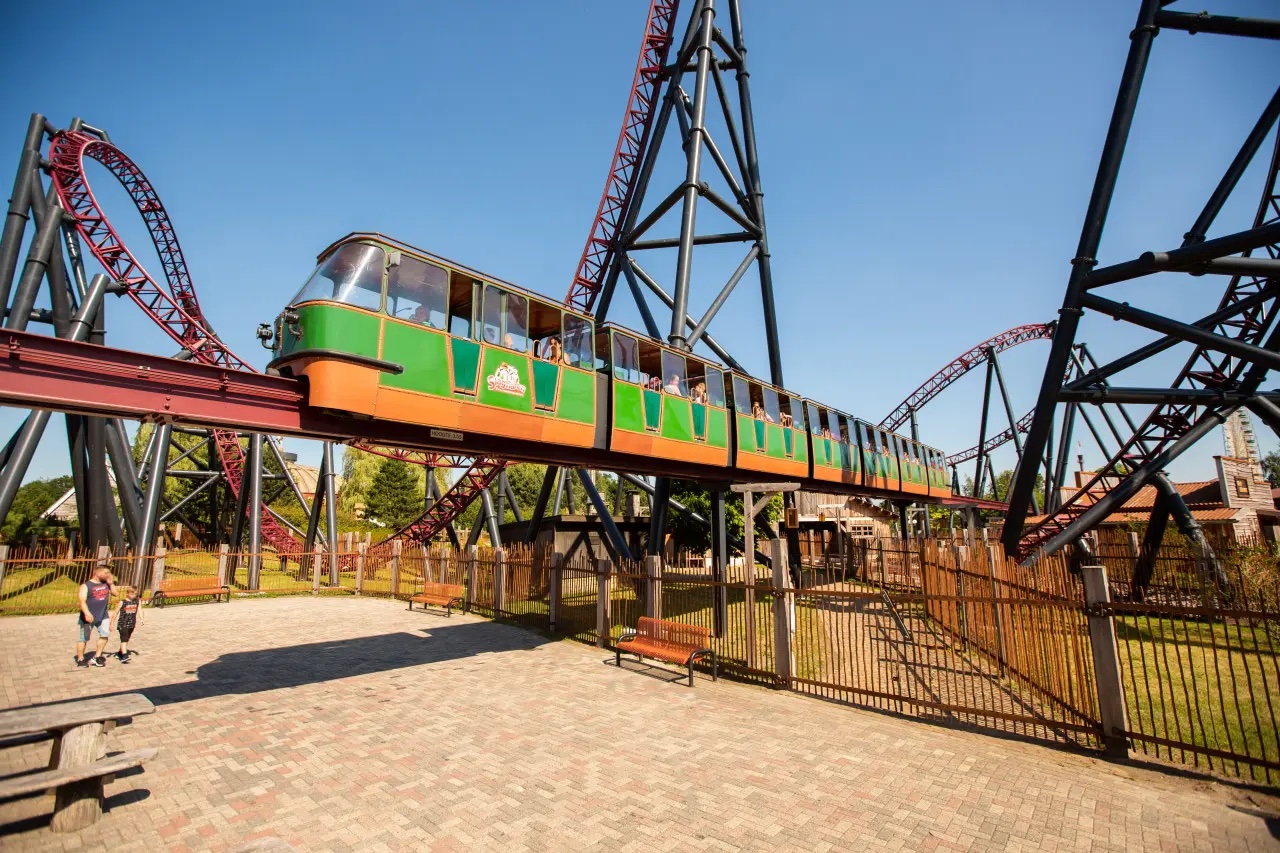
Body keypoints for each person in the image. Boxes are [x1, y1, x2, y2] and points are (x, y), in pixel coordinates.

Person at [76, 564, 114, 668]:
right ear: (97, 573)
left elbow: (116, 594)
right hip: (88, 617)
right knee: (83, 638)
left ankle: (97, 657)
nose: (108, 575)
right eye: (106, 573)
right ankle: (80, 659)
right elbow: (82, 601)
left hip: (103, 615)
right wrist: (87, 613)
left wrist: (111, 584)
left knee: (105, 635)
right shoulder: (86, 585)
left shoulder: (106, 583)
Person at [114, 586, 143, 662]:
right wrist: (111, 623)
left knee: (126, 639)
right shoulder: (122, 602)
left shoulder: (137, 601)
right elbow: (115, 613)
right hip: (123, 624)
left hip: (132, 624)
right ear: (127, 593)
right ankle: (124, 655)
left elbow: (139, 609)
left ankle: (120, 653)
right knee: (124, 640)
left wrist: (141, 619)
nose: (134, 596)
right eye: (132, 594)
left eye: (136, 594)